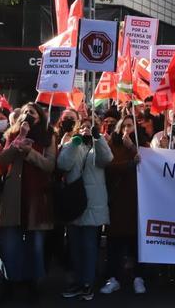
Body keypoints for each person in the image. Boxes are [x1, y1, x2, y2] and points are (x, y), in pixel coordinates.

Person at [0, 102, 56, 305]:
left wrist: (30, 152)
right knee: (10, 244)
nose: (28, 114)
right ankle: (10, 281)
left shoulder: (48, 137)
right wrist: (18, 139)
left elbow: (49, 165)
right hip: (14, 197)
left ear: (40, 117)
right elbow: (3, 159)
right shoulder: (13, 134)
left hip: (37, 197)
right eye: (25, 112)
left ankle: (32, 283)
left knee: (35, 245)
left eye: (33, 112)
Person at [58, 117, 113, 301]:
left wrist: (99, 138)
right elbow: (63, 164)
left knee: (90, 247)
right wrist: (74, 144)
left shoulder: (98, 145)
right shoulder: (71, 145)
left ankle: (87, 283)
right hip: (74, 203)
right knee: (74, 247)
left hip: (93, 205)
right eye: (82, 127)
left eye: (89, 127)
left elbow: (106, 159)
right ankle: (76, 281)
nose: (86, 129)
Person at [101, 115, 147, 296]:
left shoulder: (143, 146)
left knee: (136, 243)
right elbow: (109, 166)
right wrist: (128, 164)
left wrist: (133, 148)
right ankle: (113, 278)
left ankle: (138, 277)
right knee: (115, 243)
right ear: (119, 129)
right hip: (117, 202)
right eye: (124, 126)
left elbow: (149, 163)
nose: (128, 128)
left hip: (137, 203)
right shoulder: (112, 146)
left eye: (131, 125)